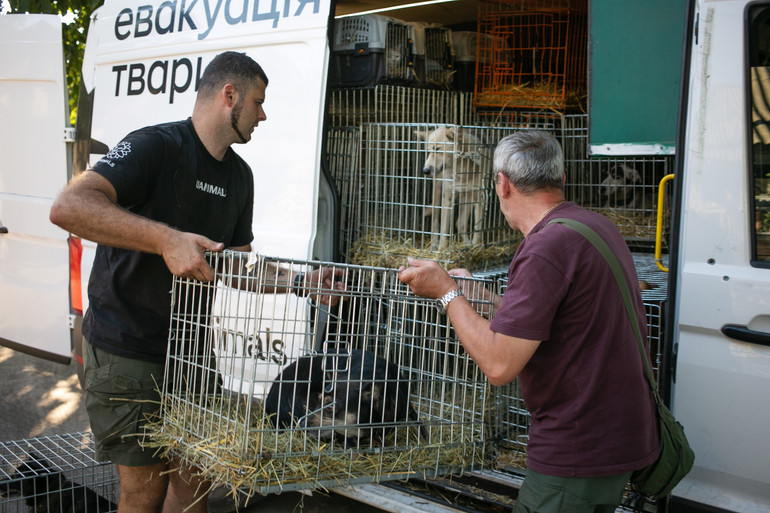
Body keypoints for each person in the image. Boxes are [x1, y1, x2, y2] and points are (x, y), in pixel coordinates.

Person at [49, 51, 341, 513]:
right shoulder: (155, 146)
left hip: (191, 357)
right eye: (258, 102)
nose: (263, 114)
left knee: (194, 483)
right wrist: (167, 239)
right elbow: (68, 207)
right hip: (127, 349)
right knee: (145, 493)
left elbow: (239, 267)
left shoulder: (240, 177)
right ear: (230, 96)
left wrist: (304, 282)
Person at [398, 130, 659, 513]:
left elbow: (500, 364)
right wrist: (482, 299)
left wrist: (447, 293)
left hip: (576, 451)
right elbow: (553, 323)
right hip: (618, 438)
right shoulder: (594, 227)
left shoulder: (543, 250)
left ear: (502, 184)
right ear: (561, 179)